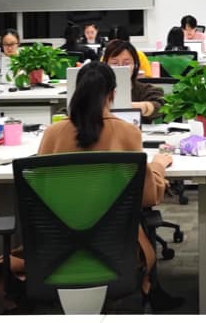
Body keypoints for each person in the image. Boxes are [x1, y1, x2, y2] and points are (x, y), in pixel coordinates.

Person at [38, 62, 179, 309]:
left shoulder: (53, 133)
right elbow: (146, 196)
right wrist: (158, 166)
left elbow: (40, 192)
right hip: (115, 244)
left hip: (60, 243)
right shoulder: (127, 132)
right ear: (112, 94)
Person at [102, 39, 164, 121]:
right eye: (114, 63)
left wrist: (129, 107)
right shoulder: (96, 90)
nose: (120, 67)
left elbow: (159, 107)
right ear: (105, 65)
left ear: (135, 65)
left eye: (126, 63)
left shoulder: (146, 90)